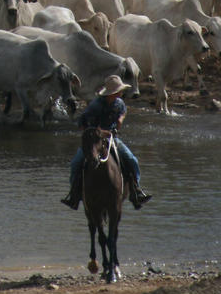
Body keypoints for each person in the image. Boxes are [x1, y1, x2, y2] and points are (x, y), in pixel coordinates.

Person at [61, 74, 152, 210]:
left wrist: (121, 118)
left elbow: (123, 111)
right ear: (112, 93)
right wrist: (93, 133)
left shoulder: (119, 103)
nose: (121, 93)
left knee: (132, 159)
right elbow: (82, 122)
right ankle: (73, 195)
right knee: (76, 163)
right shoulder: (95, 106)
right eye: (119, 91)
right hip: (94, 140)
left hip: (112, 138)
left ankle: (136, 191)